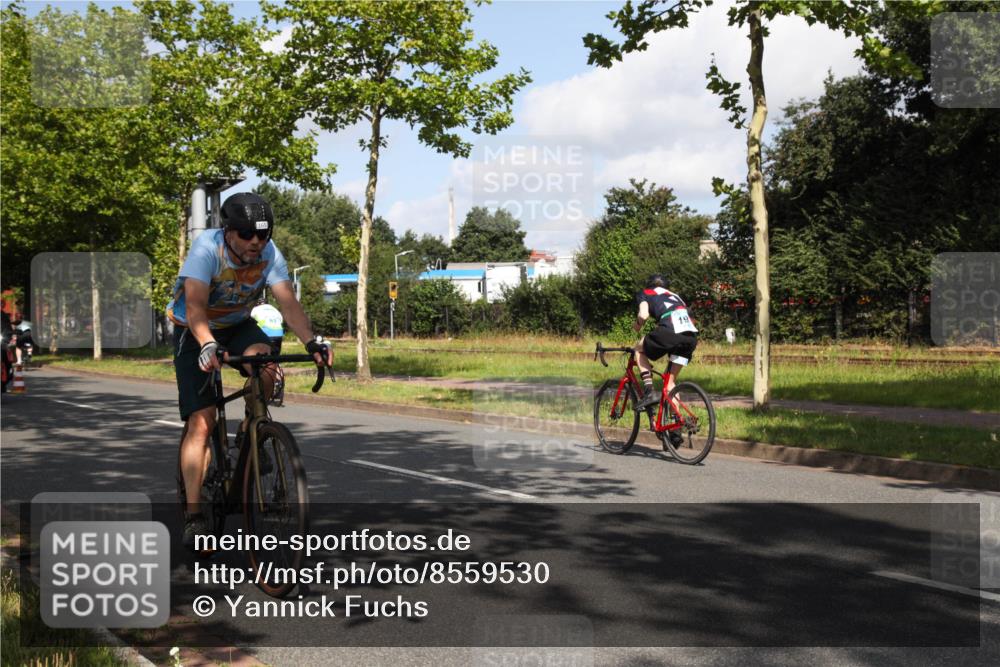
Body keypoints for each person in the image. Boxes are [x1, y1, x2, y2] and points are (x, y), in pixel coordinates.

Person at [165, 192, 332, 550]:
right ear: (228, 232)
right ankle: (195, 517)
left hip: (239, 324)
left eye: (263, 234)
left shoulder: (269, 254)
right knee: (203, 420)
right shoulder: (205, 250)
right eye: (247, 234)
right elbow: (195, 308)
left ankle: (250, 431)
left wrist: (312, 342)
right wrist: (208, 343)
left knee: (266, 363)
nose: (256, 242)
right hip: (193, 329)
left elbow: (288, 303)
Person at [631, 275, 698, 446]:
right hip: (690, 335)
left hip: (670, 330)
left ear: (650, 286)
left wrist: (637, 325)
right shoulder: (676, 296)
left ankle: (648, 391)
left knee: (638, 350)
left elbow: (644, 315)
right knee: (670, 383)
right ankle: (675, 431)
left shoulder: (646, 293)